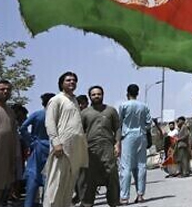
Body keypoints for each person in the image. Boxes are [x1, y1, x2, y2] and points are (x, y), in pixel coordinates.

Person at [43, 72, 89, 207]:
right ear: (61, 83)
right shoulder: (57, 100)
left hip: (74, 149)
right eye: (68, 80)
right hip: (61, 147)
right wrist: (56, 143)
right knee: (56, 183)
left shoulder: (74, 101)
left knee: (69, 185)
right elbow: (50, 123)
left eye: (74, 80)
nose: (72, 82)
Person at [80, 85, 121, 207]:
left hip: (108, 147)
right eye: (93, 94)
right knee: (89, 177)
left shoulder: (111, 111)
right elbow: (80, 131)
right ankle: (87, 203)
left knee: (112, 173)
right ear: (90, 97)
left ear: (103, 95)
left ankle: (114, 202)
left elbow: (118, 128)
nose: (96, 96)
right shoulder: (84, 113)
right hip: (90, 149)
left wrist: (118, 144)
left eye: (99, 94)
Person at [20, 93, 55, 207]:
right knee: (49, 179)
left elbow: (23, 127)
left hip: (37, 147)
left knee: (33, 178)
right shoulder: (56, 117)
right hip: (52, 147)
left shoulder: (37, 114)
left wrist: (30, 140)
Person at [118, 84, 151, 204]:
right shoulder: (144, 106)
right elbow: (149, 124)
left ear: (127, 93)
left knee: (125, 166)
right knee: (141, 165)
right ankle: (140, 194)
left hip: (127, 136)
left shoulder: (124, 105)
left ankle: (124, 197)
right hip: (141, 135)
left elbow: (119, 123)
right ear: (138, 93)